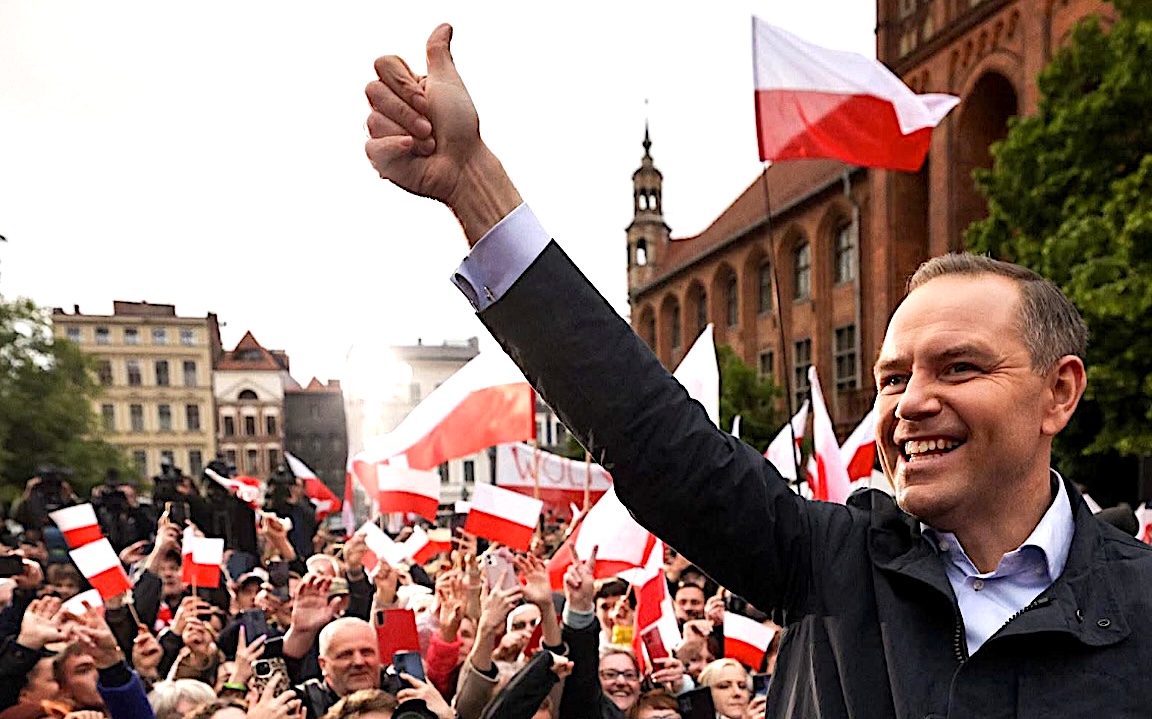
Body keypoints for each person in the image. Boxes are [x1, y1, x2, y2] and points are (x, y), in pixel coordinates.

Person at [363, 24, 1152, 717]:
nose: (911, 402)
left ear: (1059, 392)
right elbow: (649, 432)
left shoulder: (1141, 603)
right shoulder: (831, 562)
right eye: (891, 378)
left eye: (959, 367)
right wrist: (473, 185)